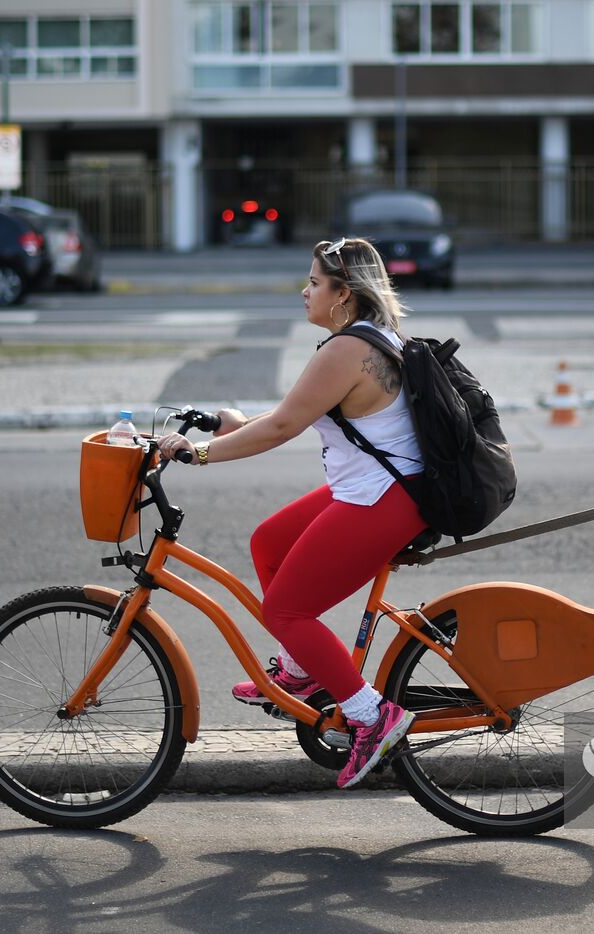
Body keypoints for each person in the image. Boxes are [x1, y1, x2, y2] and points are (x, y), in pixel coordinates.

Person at [156, 238, 426, 790]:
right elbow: (291, 413)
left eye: (313, 283)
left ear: (343, 294)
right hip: (374, 487)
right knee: (268, 544)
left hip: (385, 499)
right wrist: (230, 423)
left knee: (285, 611)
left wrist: (198, 453)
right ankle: (302, 670)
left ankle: (373, 717)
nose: (304, 292)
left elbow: (282, 429)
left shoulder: (345, 350)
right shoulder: (363, 340)